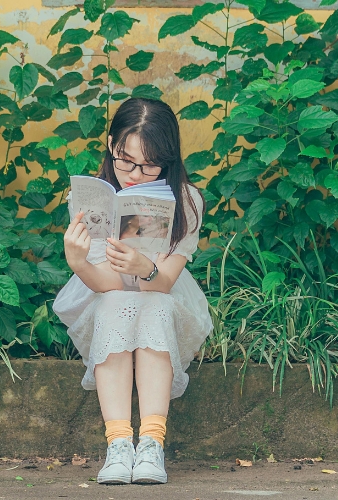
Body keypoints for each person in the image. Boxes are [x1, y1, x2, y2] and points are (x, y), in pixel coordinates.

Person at [53, 98, 211, 485]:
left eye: (150, 164)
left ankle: (151, 443)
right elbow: (106, 283)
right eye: (126, 161)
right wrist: (79, 263)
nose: (136, 174)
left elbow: (166, 282)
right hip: (103, 296)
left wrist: (146, 268)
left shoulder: (188, 200)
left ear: (168, 159)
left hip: (165, 298)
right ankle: (119, 444)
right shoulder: (91, 199)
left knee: (152, 302)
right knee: (116, 301)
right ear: (111, 146)